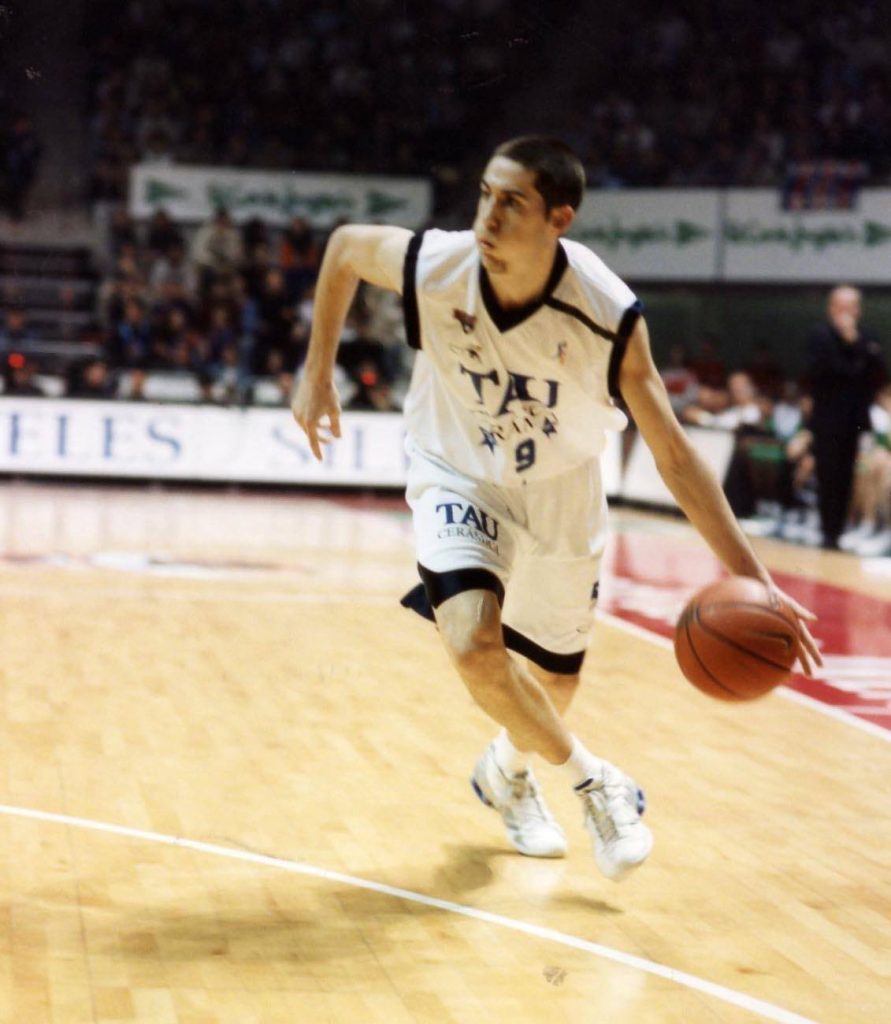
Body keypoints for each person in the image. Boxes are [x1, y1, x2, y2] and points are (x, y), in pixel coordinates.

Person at [291, 136, 821, 881]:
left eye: (512, 202)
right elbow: (345, 247)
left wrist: (755, 579)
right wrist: (315, 372)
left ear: (557, 218)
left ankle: (504, 774)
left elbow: (671, 453)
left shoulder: (605, 312)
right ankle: (595, 785)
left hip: (562, 491)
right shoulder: (440, 265)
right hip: (457, 472)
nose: (489, 214)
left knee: (552, 684)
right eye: (484, 193)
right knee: (474, 643)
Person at [805, 285, 887, 549]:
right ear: (831, 308)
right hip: (827, 419)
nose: (846, 312)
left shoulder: (867, 337)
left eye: (851, 306)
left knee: (848, 476)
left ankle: (840, 531)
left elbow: (878, 375)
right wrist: (853, 354)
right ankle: (827, 531)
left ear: (858, 309)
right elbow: (824, 373)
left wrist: (855, 343)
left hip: (856, 420)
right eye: (840, 306)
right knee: (828, 473)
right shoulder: (820, 335)